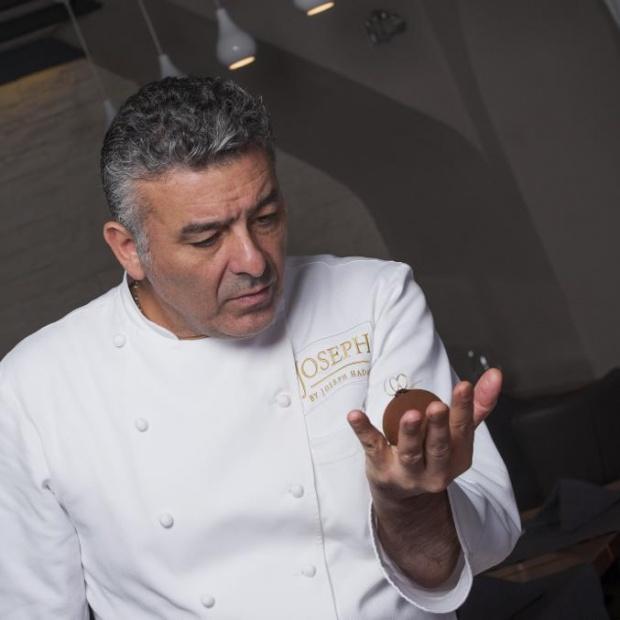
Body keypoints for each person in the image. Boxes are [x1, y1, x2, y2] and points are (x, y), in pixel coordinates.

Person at [0, 77, 520, 619]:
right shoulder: (36, 388)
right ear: (129, 248)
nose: (253, 261)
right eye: (207, 238)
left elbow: (479, 550)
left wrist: (409, 504)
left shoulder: (372, 301)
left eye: (266, 218)